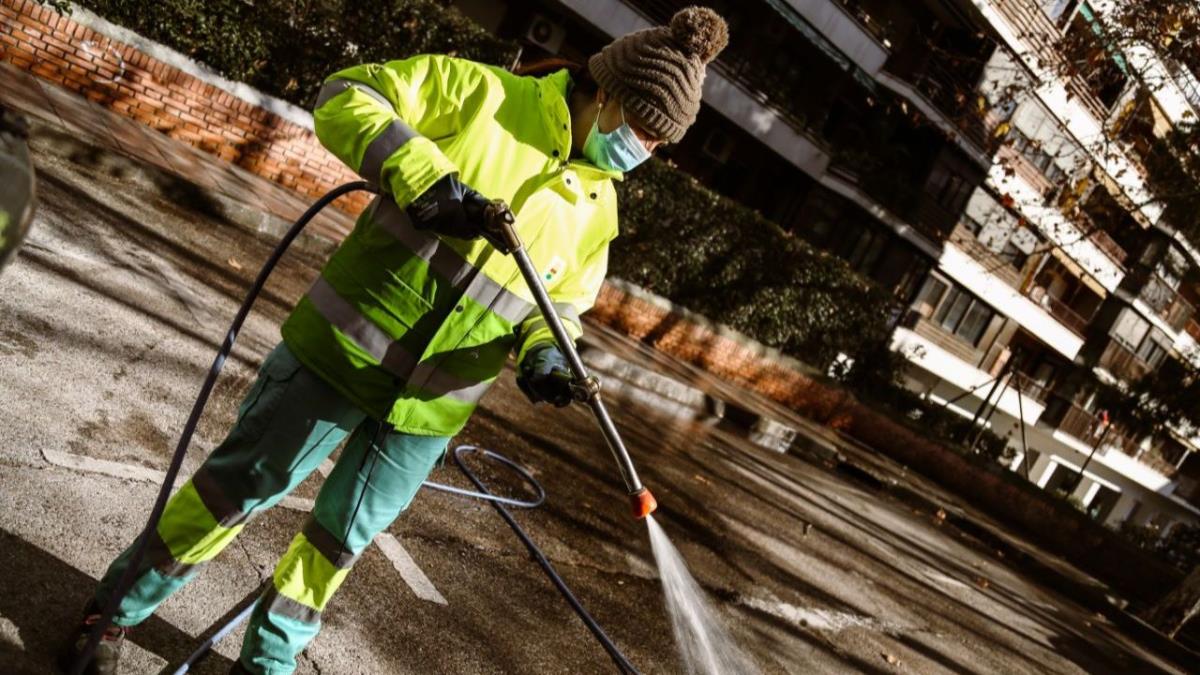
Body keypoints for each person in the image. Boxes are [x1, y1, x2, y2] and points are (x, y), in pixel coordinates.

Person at [61, 6, 727, 674]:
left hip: (430, 411)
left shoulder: (598, 207)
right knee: (232, 491)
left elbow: (560, 304)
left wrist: (548, 351)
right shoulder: (485, 97)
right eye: (642, 130)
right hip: (342, 352)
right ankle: (115, 611)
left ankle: (266, 663)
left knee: (335, 545)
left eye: (657, 144)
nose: (642, 151)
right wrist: (427, 181)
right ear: (608, 93)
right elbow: (347, 95)